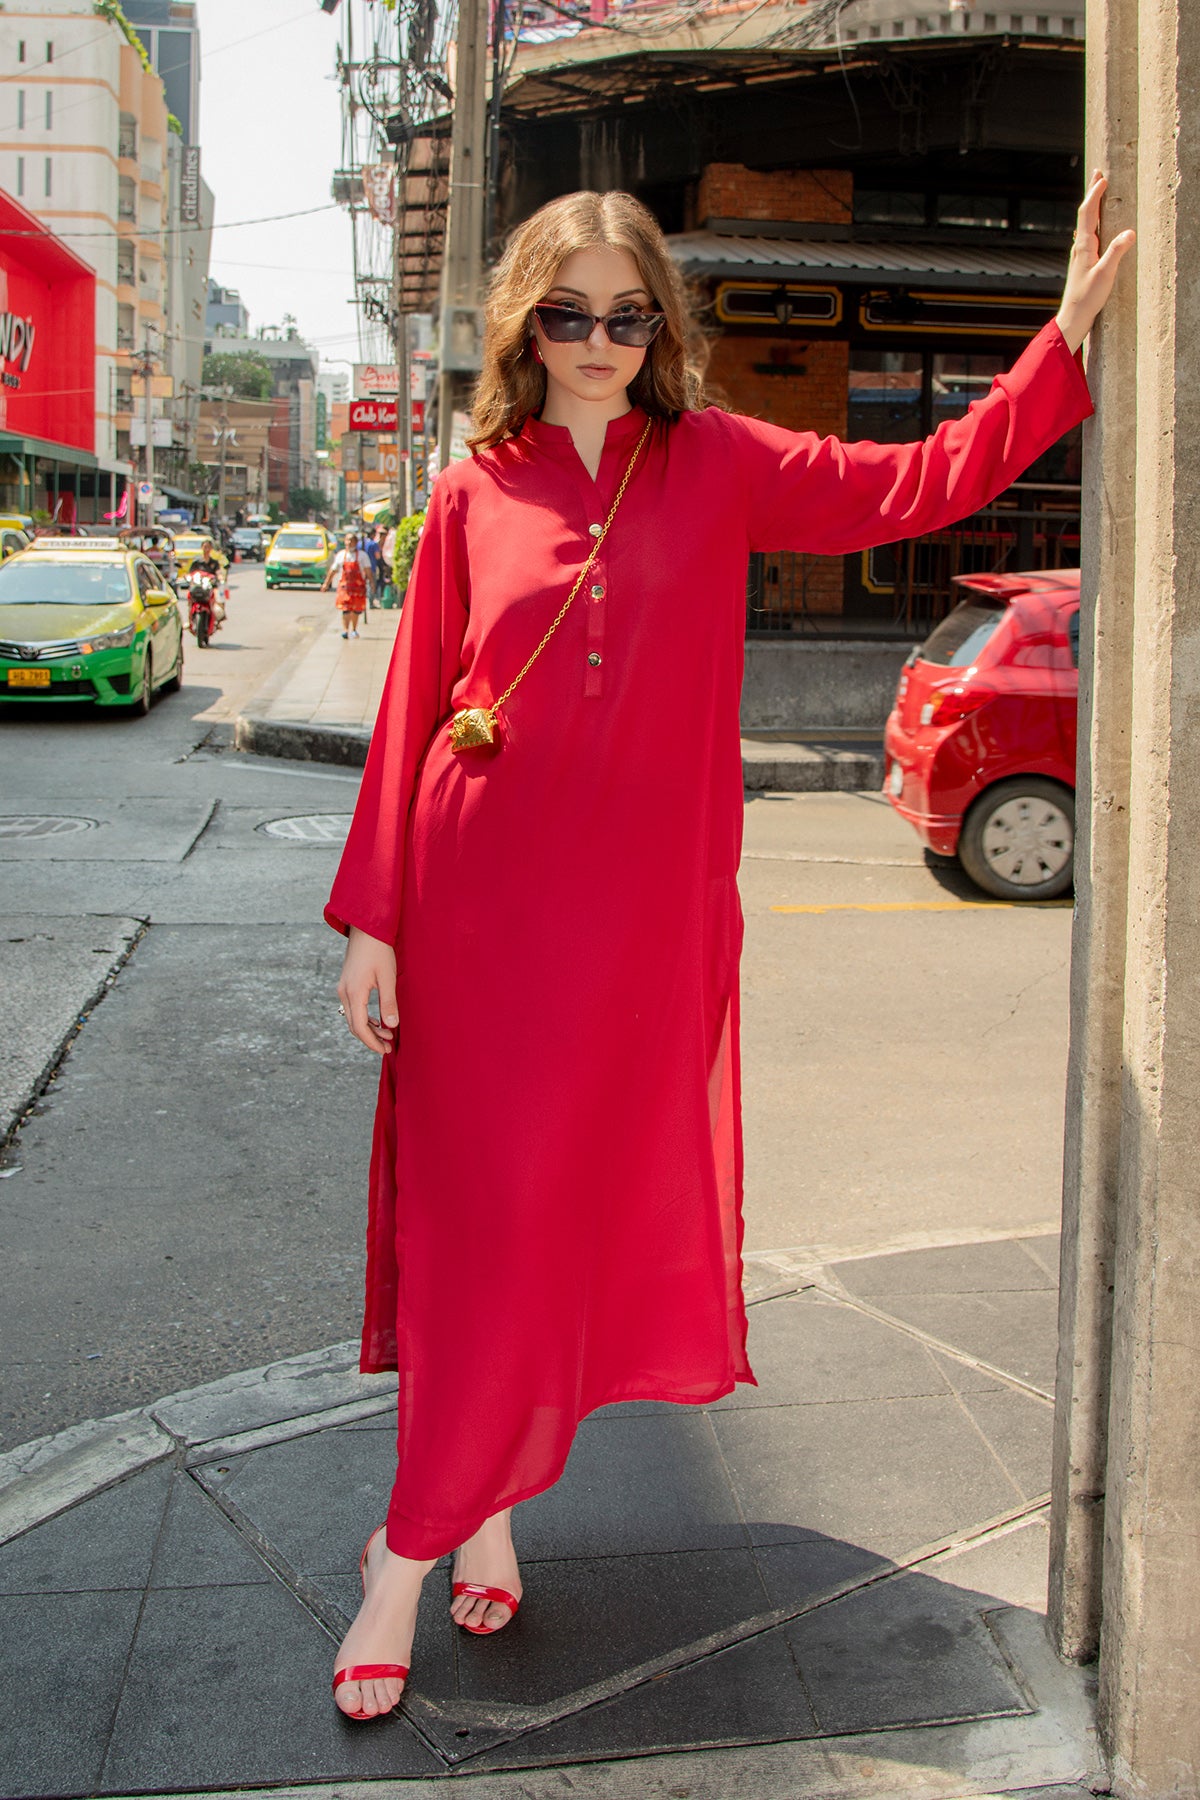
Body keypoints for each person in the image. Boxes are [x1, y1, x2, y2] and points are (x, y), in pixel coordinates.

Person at [324, 179, 1133, 1722]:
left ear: (661, 326)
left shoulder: (720, 464)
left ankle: (489, 1502)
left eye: (629, 316)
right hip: (481, 909)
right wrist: (377, 919)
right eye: (568, 315)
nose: (600, 343)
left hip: (636, 927)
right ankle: (408, 1554)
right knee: (482, 1227)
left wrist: (1058, 342)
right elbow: (414, 704)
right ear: (524, 323)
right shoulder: (470, 490)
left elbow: (921, 480)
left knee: (566, 1221)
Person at [323, 529, 373, 637]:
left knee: (356, 609)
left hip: (358, 587)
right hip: (345, 587)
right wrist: (326, 583)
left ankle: (354, 629)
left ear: (356, 542)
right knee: (345, 609)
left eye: (352, 540)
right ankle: (345, 630)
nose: (349, 543)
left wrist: (372, 583)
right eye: (347, 540)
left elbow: (368, 571)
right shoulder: (341, 555)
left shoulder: (362, 556)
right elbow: (333, 570)